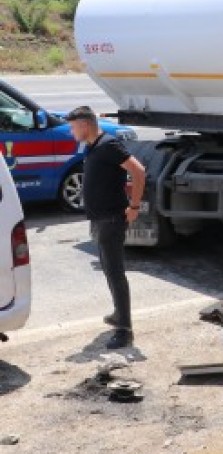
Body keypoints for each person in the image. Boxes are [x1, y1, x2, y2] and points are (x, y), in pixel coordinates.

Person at [66, 106, 146, 349]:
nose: (71, 132)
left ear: (85, 125)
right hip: (100, 219)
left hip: (112, 219)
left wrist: (134, 206)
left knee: (115, 272)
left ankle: (124, 329)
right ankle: (118, 314)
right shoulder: (92, 146)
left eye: (73, 127)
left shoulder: (109, 145)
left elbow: (139, 171)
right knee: (108, 270)